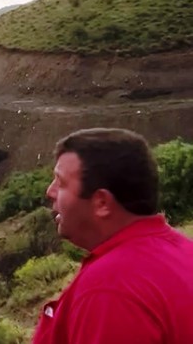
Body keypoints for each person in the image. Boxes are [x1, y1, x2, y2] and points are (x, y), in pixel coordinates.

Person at [33, 128, 193, 344]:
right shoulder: (181, 251)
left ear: (102, 203)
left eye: (61, 183)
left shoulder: (110, 289)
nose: (50, 192)